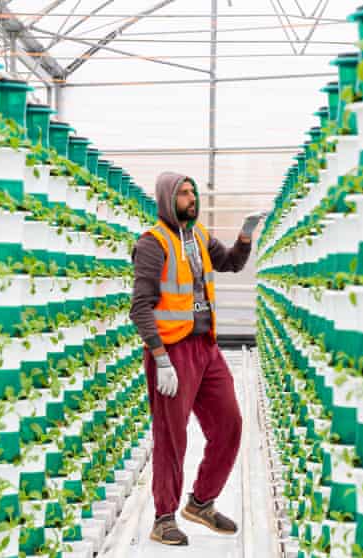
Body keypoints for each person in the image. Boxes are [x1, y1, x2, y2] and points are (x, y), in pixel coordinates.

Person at [129, 171, 266, 546]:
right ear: (166, 200)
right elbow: (139, 308)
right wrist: (160, 358)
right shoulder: (152, 243)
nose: (192, 199)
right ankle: (163, 517)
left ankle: (201, 502)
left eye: (193, 193)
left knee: (230, 424)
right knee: (172, 437)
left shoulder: (199, 236)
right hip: (173, 350)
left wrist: (245, 235)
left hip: (206, 346)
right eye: (184, 194)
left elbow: (232, 264)